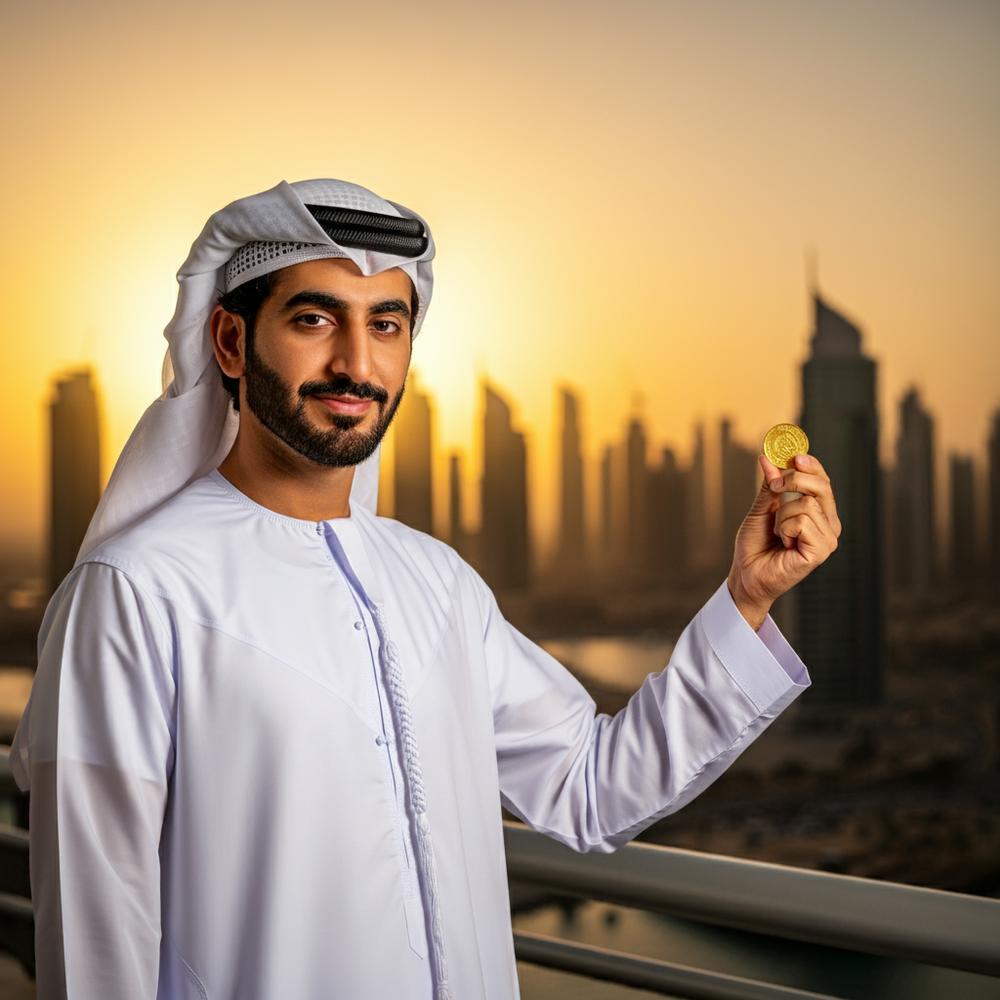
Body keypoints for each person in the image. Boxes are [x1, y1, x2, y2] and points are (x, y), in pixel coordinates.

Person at [11, 178, 840, 999]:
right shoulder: (134, 592)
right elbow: (96, 946)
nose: (356, 363)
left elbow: (590, 788)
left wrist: (747, 599)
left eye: (386, 324)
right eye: (313, 318)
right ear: (230, 342)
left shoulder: (437, 583)